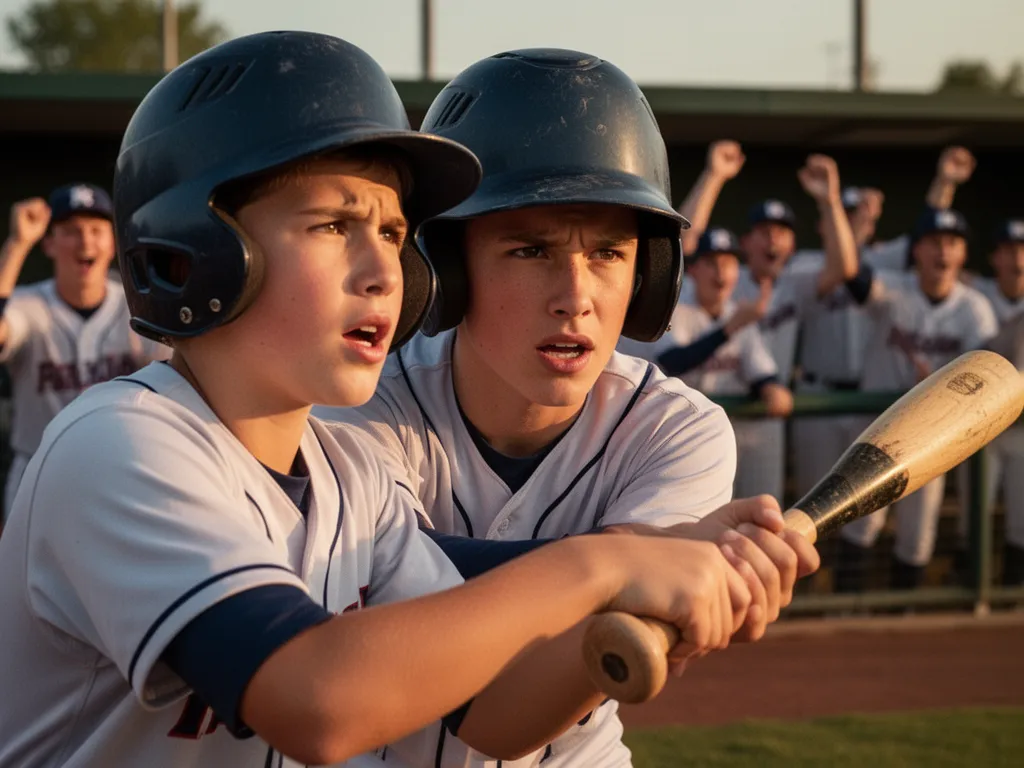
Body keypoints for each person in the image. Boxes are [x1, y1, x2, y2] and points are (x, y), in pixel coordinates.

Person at [0, 32, 770, 768]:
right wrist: (607, 564)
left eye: (395, 231)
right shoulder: (119, 443)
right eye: (335, 224)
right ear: (192, 255)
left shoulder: (348, 477)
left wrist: (650, 589)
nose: (384, 271)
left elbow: (491, 717)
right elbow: (317, 700)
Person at [319, 49, 820, 768]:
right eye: (530, 250)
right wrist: (632, 560)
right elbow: (382, 590)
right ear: (449, 272)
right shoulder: (362, 401)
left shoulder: (676, 429)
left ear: (648, 275)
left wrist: (669, 571)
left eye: (610, 253)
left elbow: (591, 636)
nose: (576, 296)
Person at [789, 148, 978, 506]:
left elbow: (932, 227)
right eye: (844, 214)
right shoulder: (805, 265)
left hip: (868, 398)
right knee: (811, 500)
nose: (851, 220)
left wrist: (944, 182)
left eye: (857, 213)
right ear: (823, 221)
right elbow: (844, 265)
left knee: (862, 500)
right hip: (817, 393)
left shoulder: (881, 262)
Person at [673, 141, 859, 501]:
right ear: (746, 243)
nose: (774, 238)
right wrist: (714, 176)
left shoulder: (794, 284)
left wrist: (829, 200)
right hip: (714, 409)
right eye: (764, 231)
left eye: (782, 231)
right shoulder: (728, 275)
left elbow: (845, 269)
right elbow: (684, 244)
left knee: (762, 518)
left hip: (766, 416)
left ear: (791, 244)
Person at [837, 208, 998, 591]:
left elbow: (988, 374)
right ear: (917, 251)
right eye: (934, 242)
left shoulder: (974, 307)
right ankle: (844, 611)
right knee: (861, 521)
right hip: (875, 429)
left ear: (963, 254)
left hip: (932, 434)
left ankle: (905, 614)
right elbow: (851, 276)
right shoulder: (893, 288)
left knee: (918, 533)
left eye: (953, 243)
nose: (943, 251)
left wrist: (949, 383)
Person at [0, 184, 169, 523]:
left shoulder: (138, 306)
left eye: (96, 230)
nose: (85, 241)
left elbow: (178, 376)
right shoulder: (26, 304)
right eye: (70, 231)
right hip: (38, 470)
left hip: (124, 469)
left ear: (114, 242)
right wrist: (16, 246)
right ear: (48, 243)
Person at [619, 227, 793, 500]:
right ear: (693, 271)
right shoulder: (675, 310)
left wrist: (772, 387)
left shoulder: (736, 313)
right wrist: (729, 329)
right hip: (678, 432)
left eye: (729, 263)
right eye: (711, 263)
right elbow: (673, 361)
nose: (721, 272)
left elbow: (762, 372)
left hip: (735, 428)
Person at [960, 219, 1024, 586]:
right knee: (974, 518)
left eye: (1022, 249)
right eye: (1010, 249)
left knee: (1021, 522)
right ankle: (973, 595)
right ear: (995, 257)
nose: (1017, 257)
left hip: (1020, 428)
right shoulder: (978, 295)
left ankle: (1012, 597)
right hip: (981, 427)